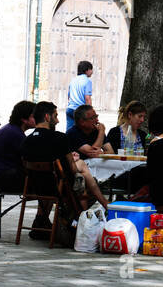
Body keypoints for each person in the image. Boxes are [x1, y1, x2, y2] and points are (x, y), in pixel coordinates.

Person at [23, 101, 107, 237]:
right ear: (47, 117)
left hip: (35, 187)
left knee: (77, 170)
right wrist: (72, 160)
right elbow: (73, 170)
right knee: (81, 171)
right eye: (55, 116)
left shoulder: (26, 140)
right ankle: (99, 208)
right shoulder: (60, 138)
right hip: (58, 188)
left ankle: (41, 220)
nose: (57, 120)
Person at [0, 100, 35, 195]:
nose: (37, 118)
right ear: (24, 119)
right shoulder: (15, 133)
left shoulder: (12, 129)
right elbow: (28, 160)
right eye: (33, 116)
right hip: (1, 179)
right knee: (46, 183)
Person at [65, 60, 94, 131]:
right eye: (91, 69)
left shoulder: (73, 80)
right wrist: (91, 112)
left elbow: (69, 97)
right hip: (80, 112)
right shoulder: (87, 81)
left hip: (70, 109)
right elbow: (87, 98)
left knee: (69, 132)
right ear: (87, 70)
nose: (92, 72)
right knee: (81, 132)